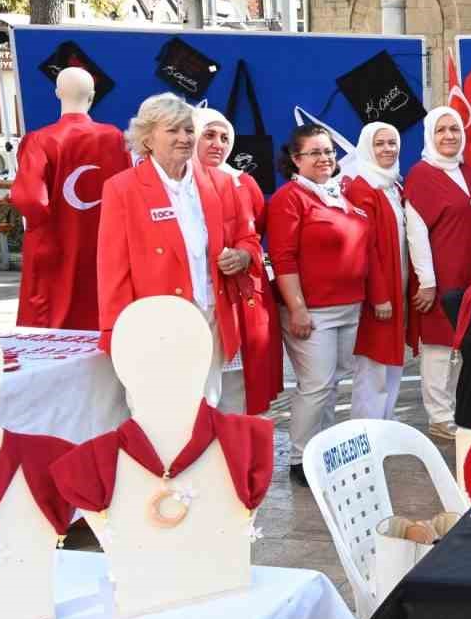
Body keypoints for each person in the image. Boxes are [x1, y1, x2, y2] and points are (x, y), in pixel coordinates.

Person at [96, 93, 261, 405]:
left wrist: (242, 256)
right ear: (147, 138)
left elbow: (248, 239)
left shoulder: (221, 183)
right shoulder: (122, 188)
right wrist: (114, 330)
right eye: (173, 130)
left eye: (188, 130)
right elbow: (112, 266)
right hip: (154, 321)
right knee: (156, 409)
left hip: (211, 314)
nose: (185, 138)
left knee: (206, 405)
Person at [267, 124, 372, 483]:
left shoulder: (339, 194)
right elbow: (282, 258)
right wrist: (296, 307)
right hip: (313, 311)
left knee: (332, 384)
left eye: (328, 151)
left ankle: (322, 451)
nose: (325, 158)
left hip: (349, 306)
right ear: (296, 160)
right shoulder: (289, 199)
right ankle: (301, 460)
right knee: (315, 386)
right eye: (314, 153)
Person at [10, 68, 130, 329]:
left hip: (55, 241)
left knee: (50, 320)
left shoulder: (41, 140)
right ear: (93, 96)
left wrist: (45, 230)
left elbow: (29, 198)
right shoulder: (116, 138)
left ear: (57, 93)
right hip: (105, 240)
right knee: (102, 308)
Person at [193, 106, 283, 416]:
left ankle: (239, 456)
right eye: (209, 135)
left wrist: (243, 254)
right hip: (194, 301)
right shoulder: (173, 186)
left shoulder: (243, 183)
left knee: (239, 387)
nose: (218, 143)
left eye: (224, 137)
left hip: (240, 301)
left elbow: (254, 234)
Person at [406, 107, 471, 442]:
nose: (449, 136)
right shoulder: (421, 175)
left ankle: (460, 409)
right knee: (438, 348)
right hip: (440, 276)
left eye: (454, 129)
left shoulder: (466, 171)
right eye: (441, 130)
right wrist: (427, 281)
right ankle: (439, 417)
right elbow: (416, 232)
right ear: (429, 136)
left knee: (467, 344)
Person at [344, 122, 408, 421]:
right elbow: (366, 247)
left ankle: (386, 419)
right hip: (380, 291)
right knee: (373, 362)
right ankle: (367, 426)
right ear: (368, 147)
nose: (387, 149)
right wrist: (379, 295)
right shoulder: (362, 186)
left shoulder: (394, 184)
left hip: (400, 285)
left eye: (392, 142)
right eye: (380, 143)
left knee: (393, 358)